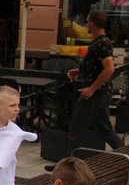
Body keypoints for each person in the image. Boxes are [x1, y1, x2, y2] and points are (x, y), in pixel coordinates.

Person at [48, 10, 122, 170]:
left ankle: (65, 167)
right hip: (100, 92)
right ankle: (127, 156)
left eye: (88, 21)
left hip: (95, 93)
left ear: (92, 23)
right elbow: (95, 65)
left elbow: (109, 69)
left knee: (77, 127)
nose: (86, 25)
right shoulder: (98, 42)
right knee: (104, 128)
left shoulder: (102, 43)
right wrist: (79, 70)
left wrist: (92, 88)